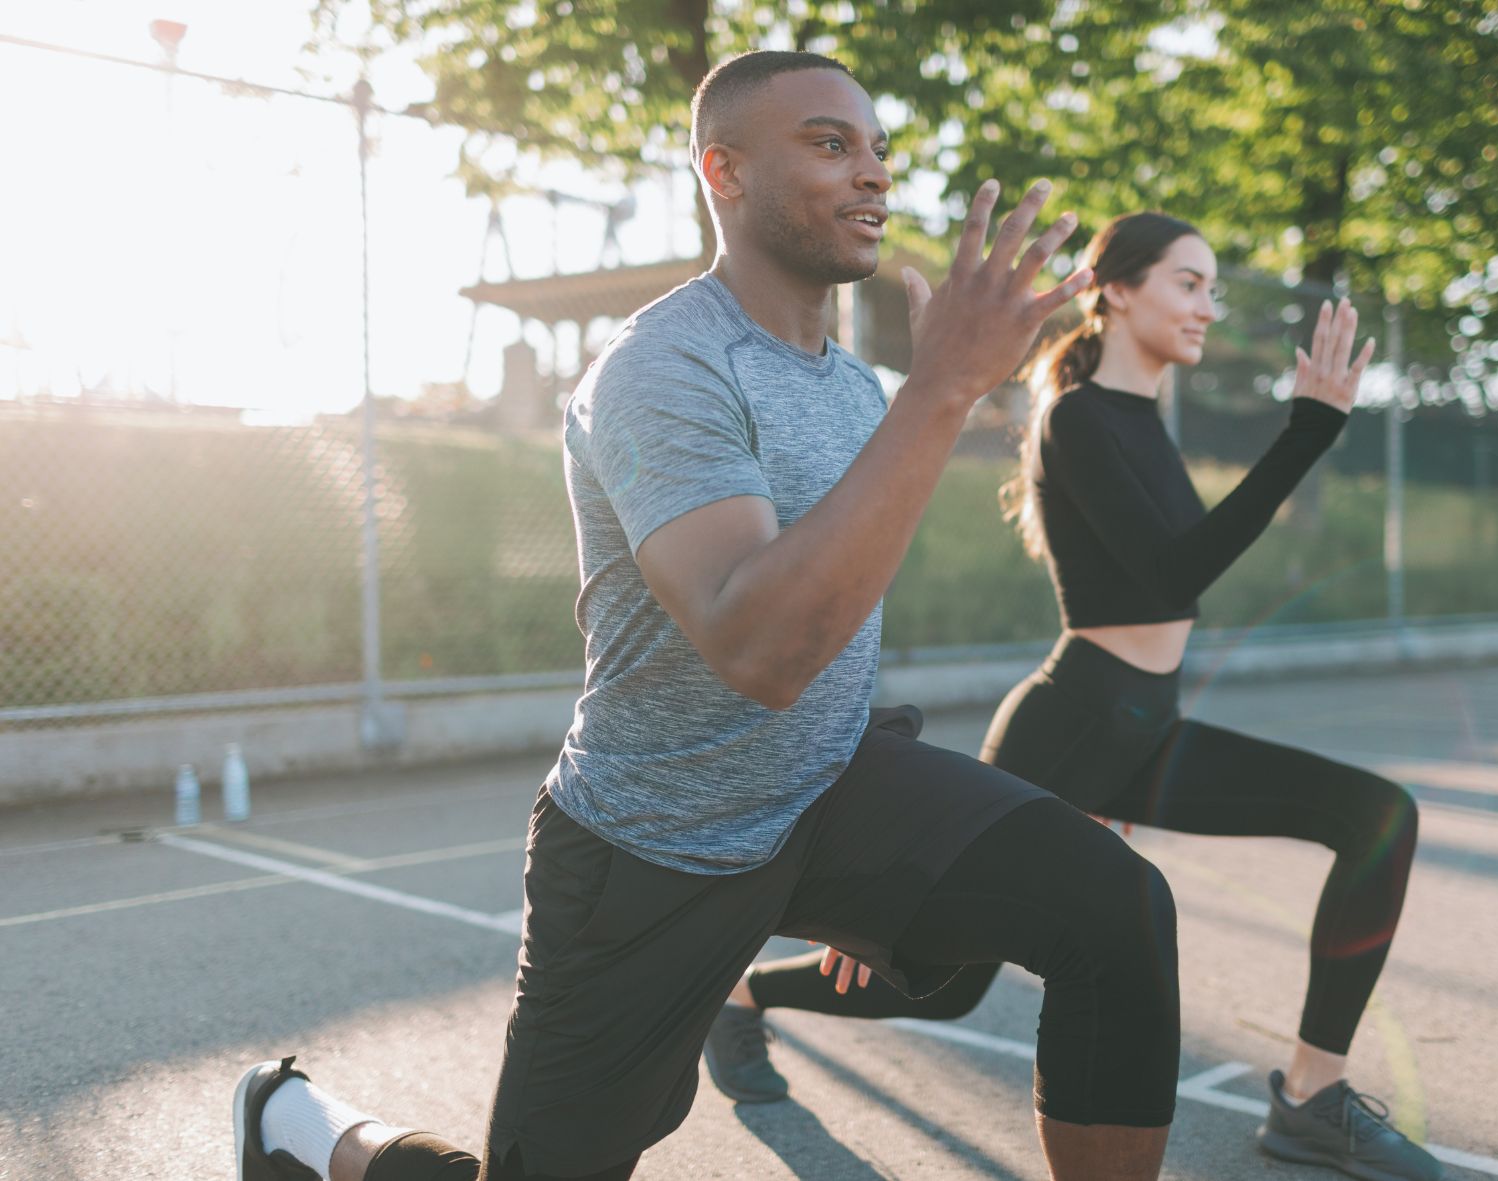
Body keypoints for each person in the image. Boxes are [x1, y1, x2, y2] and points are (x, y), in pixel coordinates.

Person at [233, 51, 1187, 1181]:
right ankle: (303, 1128)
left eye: (877, 149)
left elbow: (836, 614)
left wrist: (875, 867)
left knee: (1114, 909)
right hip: (652, 845)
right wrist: (943, 389)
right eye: (831, 145)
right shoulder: (660, 368)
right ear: (722, 170)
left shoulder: (845, 385)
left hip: (826, 792)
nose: (871, 173)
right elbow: (759, 646)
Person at [706, 212, 1444, 1181]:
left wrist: (1306, 429)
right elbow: (1171, 574)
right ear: (1118, 288)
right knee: (935, 988)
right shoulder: (1079, 417)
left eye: (1211, 287)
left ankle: (1309, 1093)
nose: (1206, 306)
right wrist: (1306, 430)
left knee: (1375, 814)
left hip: (1147, 727)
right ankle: (742, 1000)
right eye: (1187, 282)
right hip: (1070, 726)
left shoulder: (1139, 421)